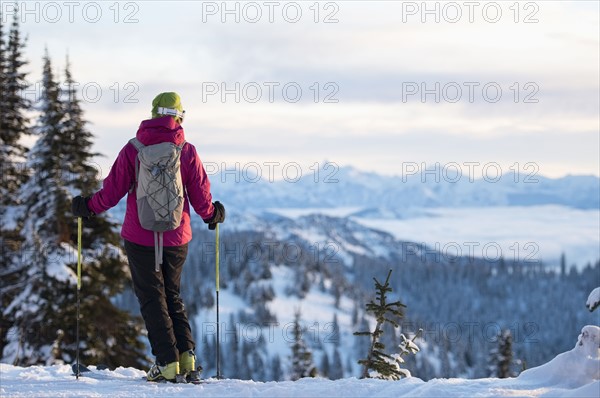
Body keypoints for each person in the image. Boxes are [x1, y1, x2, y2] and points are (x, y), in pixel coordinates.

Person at [71, 92, 225, 382]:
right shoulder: (186, 150)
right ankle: (187, 358)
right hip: (176, 237)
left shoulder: (133, 149)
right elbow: (200, 194)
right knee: (173, 295)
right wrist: (211, 215)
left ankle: (166, 363)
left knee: (152, 297)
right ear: (178, 116)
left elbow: (112, 191)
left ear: (153, 114)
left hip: (140, 237)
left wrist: (87, 207)